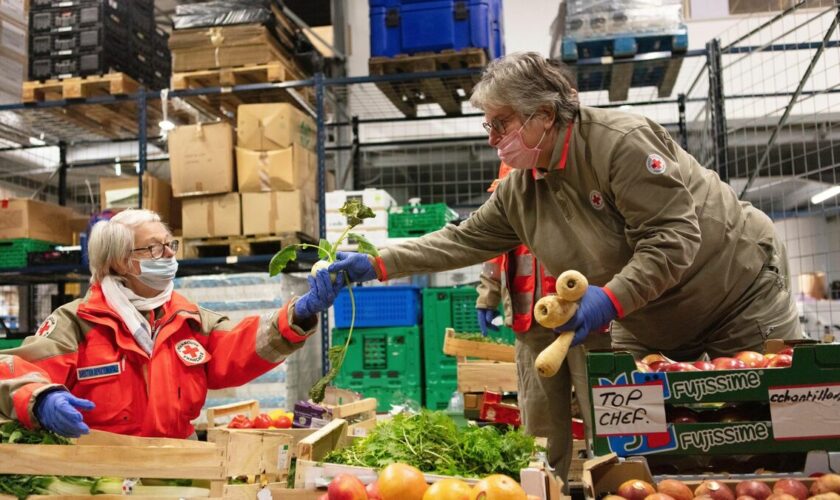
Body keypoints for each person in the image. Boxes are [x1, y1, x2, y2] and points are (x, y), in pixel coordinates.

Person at [329, 52, 802, 480]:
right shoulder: (521, 189)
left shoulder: (621, 144)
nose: (492, 137)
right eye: (487, 125)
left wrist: (609, 299)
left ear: (546, 115)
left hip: (733, 292)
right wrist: (375, 265)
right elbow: (463, 239)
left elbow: (672, 239)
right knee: (640, 446)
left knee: (771, 428)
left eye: (501, 123)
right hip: (646, 318)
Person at [0, 209, 342, 439]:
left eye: (170, 245)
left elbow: (237, 348)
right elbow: (17, 369)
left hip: (178, 470)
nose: (169, 255)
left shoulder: (188, 319)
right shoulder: (76, 323)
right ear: (121, 260)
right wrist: (41, 398)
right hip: (101, 477)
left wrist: (297, 315)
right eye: (154, 248)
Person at [477, 163, 611, 481]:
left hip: (586, 316)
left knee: (602, 410)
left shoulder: (579, 167)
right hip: (530, 317)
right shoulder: (511, 168)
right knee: (541, 417)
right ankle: (548, 487)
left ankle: (611, 483)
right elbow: (493, 243)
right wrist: (488, 294)